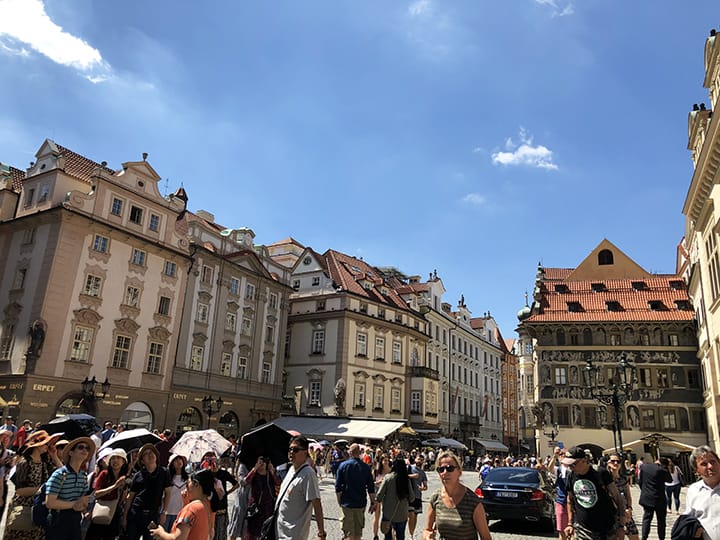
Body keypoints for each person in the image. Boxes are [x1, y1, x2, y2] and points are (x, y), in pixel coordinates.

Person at [5, 430, 62, 540]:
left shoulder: (45, 463)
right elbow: (20, 491)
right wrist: (42, 489)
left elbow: (63, 473)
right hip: (23, 507)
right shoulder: (24, 463)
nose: (48, 446)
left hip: (39, 508)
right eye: (45, 443)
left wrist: (54, 456)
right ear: (37, 445)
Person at [422, 450, 491, 540]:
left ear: (459, 472)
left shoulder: (472, 501)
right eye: (441, 469)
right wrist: (427, 536)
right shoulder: (435, 498)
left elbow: (486, 537)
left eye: (450, 468)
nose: (445, 472)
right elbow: (427, 530)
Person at [562, 446, 625, 540]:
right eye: (568, 465)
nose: (570, 467)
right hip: (582, 529)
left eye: (573, 464)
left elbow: (617, 497)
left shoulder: (600, 473)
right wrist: (570, 524)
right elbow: (569, 500)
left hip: (606, 528)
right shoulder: (571, 476)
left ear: (583, 460)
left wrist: (621, 525)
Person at [276, 435, 326, 540]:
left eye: (295, 449)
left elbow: (316, 504)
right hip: (281, 532)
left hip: (293, 534)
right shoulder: (291, 469)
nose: (291, 452)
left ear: (305, 452)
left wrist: (321, 533)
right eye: (290, 449)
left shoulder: (308, 474)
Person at [45, 436, 96, 540]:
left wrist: (84, 507)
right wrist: (74, 505)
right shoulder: (59, 474)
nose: (84, 450)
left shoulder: (83, 475)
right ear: (71, 453)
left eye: (87, 448)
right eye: (80, 447)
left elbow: (83, 500)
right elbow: (49, 502)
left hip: (75, 521)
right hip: (58, 521)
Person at [122, 443, 172, 540]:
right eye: (146, 454)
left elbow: (168, 493)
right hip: (136, 513)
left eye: (152, 452)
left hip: (153, 515)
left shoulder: (164, 473)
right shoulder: (138, 475)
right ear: (142, 461)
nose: (150, 455)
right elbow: (130, 497)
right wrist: (124, 517)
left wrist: (164, 512)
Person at [149, 468, 215, 540]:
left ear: (196, 484)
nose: (185, 489)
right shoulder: (208, 506)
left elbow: (178, 538)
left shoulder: (191, 509)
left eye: (187, 484)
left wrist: (161, 533)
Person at [86, 448, 129, 540]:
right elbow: (97, 494)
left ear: (123, 462)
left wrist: (124, 488)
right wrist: (115, 486)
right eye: (113, 458)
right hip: (100, 511)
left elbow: (122, 500)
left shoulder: (125, 478)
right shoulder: (104, 474)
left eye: (118, 458)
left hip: (114, 514)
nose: (115, 461)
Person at [335, 443, 376, 540]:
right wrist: (372, 502)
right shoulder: (366, 468)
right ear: (360, 453)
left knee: (348, 532)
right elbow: (371, 488)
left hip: (347, 503)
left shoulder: (343, 466)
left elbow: (338, 487)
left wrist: (339, 501)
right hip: (360, 503)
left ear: (350, 452)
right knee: (358, 532)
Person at [683, 445, 720, 540]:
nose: (710, 466)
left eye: (713, 462)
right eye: (704, 464)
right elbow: (689, 518)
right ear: (696, 470)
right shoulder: (693, 490)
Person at [201, 452, 239, 540]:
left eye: (213, 459)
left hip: (221, 506)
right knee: (209, 533)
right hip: (208, 507)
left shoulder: (223, 473)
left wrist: (227, 492)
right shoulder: (205, 474)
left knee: (221, 533)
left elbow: (236, 484)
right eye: (209, 459)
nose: (212, 462)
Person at [376, 457, 415, 540]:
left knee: (388, 536)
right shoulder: (406, 480)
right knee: (400, 536)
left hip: (388, 514)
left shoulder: (388, 478)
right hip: (402, 514)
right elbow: (412, 498)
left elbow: (379, 496)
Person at [245, 456, 280, 540]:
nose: (263, 463)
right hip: (255, 507)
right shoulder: (254, 474)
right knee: (253, 531)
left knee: (266, 531)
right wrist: (254, 469)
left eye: (264, 461)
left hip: (268, 507)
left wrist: (272, 471)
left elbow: (278, 483)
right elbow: (246, 481)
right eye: (260, 461)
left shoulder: (270, 474)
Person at [606, 452, 639, 540]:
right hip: (613, 514)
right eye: (613, 461)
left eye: (618, 461)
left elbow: (628, 495)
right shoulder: (606, 479)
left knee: (634, 536)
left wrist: (629, 508)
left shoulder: (623, 479)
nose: (616, 463)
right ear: (608, 463)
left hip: (625, 512)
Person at [638, 457, 672, 540]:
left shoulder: (644, 467)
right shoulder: (662, 470)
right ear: (664, 465)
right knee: (661, 521)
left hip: (646, 497)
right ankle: (661, 538)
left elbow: (640, 481)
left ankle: (644, 537)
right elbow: (669, 480)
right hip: (659, 498)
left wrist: (644, 491)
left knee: (647, 519)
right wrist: (667, 468)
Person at [227, 459, 250, 540]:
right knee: (235, 526)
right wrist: (253, 471)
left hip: (251, 501)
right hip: (241, 499)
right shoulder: (243, 466)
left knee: (246, 529)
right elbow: (242, 482)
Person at [165, 454, 189, 531]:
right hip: (168, 512)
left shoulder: (188, 479)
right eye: (175, 460)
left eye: (180, 459)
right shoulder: (167, 478)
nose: (179, 461)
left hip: (181, 512)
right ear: (171, 464)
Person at [372, 454, 392, 540]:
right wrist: (378, 482)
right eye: (384, 460)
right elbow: (370, 483)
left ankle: (387, 535)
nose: (386, 462)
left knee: (387, 516)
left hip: (388, 495)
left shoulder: (391, 471)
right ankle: (375, 535)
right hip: (377, 494)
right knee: (377, 516)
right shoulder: (376, 471)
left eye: (387, 460)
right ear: (381, 461)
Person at [408, 454, 428, 539]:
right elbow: (402, 477)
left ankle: (412, 534)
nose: (419, 461)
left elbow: (426, 486)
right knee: (411, 515)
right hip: (409, 495)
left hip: (418, 496)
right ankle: (410, 534)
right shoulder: (409, 468)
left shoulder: (423, 473)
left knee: (415, 516)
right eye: (418, 459)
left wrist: (422, 488)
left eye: (421, 460)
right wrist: (413, 476)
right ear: (415, 459)